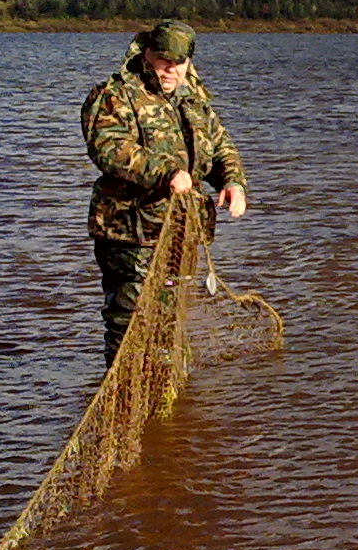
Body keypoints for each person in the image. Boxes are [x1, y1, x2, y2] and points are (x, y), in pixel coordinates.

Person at [82, 19, 247, 362]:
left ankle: (167, 386)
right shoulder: (114, 96)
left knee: (169, 315)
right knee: (129, 318)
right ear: (146, 55)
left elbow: (220, 148)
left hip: (179, 231)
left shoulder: (194, 100)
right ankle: (123, 394)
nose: (170, 69)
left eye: (178, 62)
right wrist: (167, 173)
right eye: (162, 60)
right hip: (129, 231)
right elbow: (110, 149)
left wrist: (232, 182)